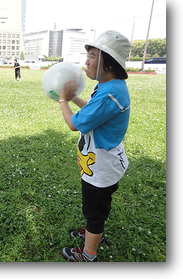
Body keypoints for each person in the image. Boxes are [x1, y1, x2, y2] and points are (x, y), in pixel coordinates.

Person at [58, 31, 132, 262]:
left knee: (94, 213)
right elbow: (92, 109)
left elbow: (73, 124)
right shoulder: (110, 86)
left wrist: (62, 100)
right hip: (102, 164)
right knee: (96, 208)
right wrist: (73, 98)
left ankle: (89, 255)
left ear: (108, 63)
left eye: (91, 56)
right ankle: (92, 233)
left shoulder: (110, 93)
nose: (86, 61)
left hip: (101, 169)